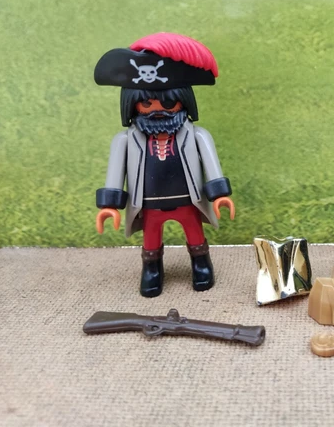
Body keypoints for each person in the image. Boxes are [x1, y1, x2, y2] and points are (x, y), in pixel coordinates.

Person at [94, 32, 235, 297]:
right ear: (133, 105)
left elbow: (211, 164)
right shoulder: (125, 140)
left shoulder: (197, 135)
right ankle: (152, 270)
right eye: (146, 103)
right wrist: (109, 205)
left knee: (194, 233)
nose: (157, 109)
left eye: (168, 102)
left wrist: (220, 194)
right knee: (151, 238)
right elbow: (115, 173)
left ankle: (201, 264)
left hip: (188, 199)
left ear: (184, 100)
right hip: (148, 203)